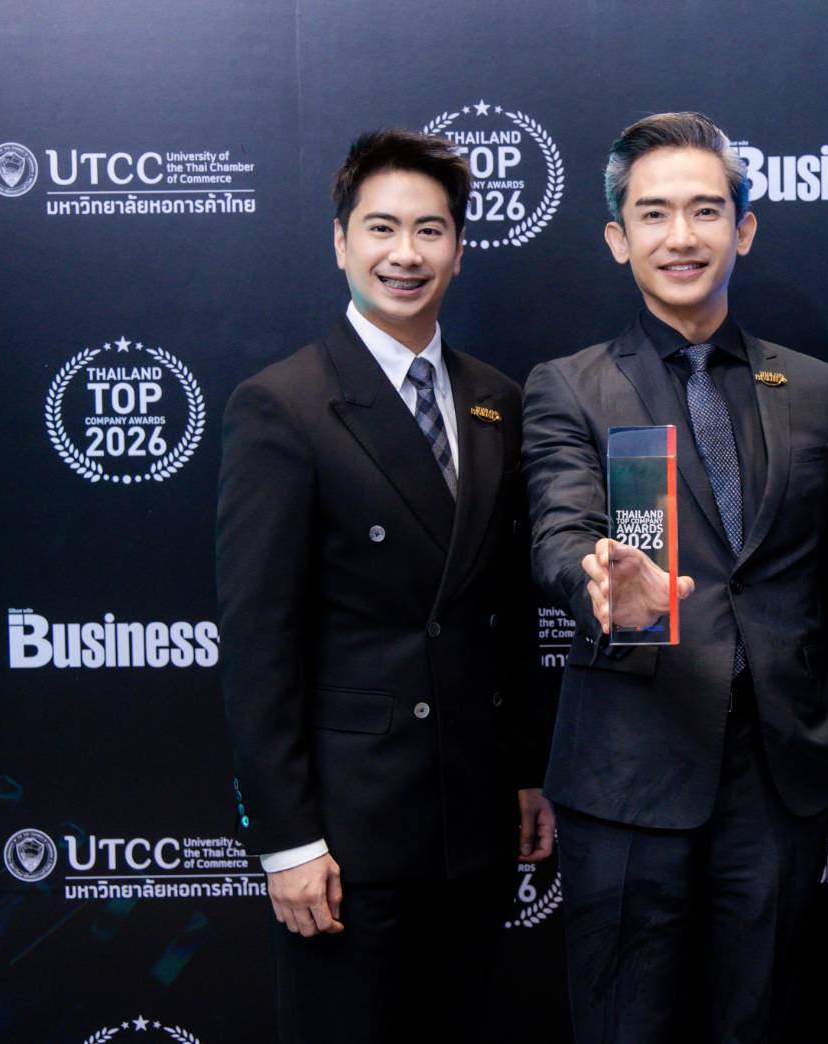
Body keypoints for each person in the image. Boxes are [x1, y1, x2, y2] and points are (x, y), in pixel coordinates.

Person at [522, 111, 828, 1043]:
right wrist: (601, 583)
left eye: (705, 210)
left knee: (761, 1024)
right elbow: (562, 529)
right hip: (626, 773)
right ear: (618, 238)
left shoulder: (818, 390)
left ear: (743, 228)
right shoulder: (570, 386)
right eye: (653, 214)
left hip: (780, 776)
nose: (680, 236)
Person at [215, 128, 554, 1044]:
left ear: (459, 249)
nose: (406, 254)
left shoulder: (496, 400)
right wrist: (288, 841)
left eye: (430, 230)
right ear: (340, 242)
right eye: (381, 228)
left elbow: (508, 613)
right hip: (350, 838)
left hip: (475, 824)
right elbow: (258, 648)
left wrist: (527, 772)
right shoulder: (282, 405)